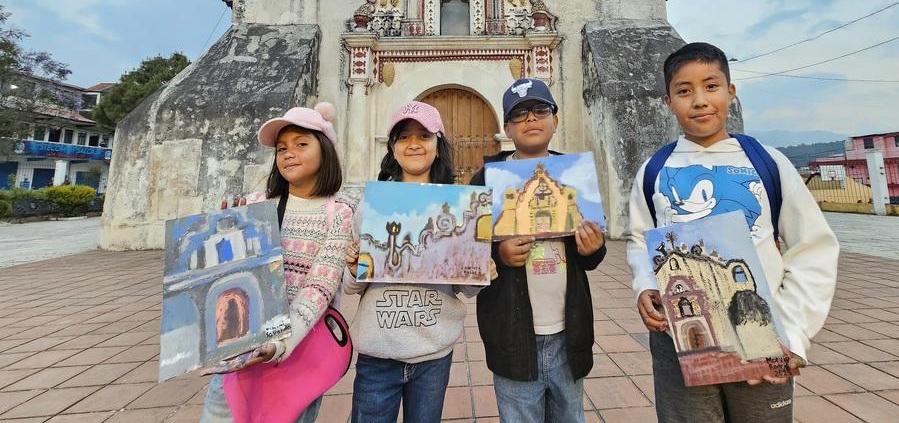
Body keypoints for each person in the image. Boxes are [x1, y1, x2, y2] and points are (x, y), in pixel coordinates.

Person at [625, 42, 840, 422]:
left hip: (760, 331)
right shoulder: (654, 170)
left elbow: (813, 249)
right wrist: (644, 283)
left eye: (711, 86)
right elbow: (642, 238)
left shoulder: (768, 162)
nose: (699, 100)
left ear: (731, 92)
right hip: (680, 337)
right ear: (668, 101)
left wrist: (794, 332)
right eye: (684, 91)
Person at [200, 103, 356, 423]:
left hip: (298, 354)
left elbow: (319, 287)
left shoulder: (338, 213)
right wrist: (222, 238)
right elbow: (228, 280)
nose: (288, 153)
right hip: (239, 353)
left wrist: (277, 344)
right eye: (282, 148)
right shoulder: (258, 205)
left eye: (301, 144)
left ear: (325, 150)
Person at [343, 101, 495, 423]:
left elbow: (465, 288)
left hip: (433, 353)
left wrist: (481, 269)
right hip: (378, 351)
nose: (414, 144)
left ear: (437, 147)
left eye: (424, 136)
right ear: (393, 149)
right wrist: (353, 264)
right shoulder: (372, 204)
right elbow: (352, 286)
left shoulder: (457, 208)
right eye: (404, 137)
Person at [469, 78, 606, 423]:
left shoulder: (574, 178)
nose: (531, 119)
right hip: (511, 331)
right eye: (519, 114)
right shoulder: (485, 180)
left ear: (555, 120)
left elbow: (591, 255)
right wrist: (497, 256)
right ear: (507, 127)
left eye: (540, 110)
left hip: (568, 330)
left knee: (569, 414)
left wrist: (592, 248)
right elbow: (467, 251)